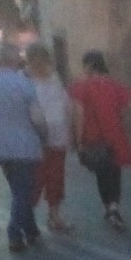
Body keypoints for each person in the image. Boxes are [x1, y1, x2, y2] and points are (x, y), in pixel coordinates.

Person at [0, 40, 45, 252]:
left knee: (18, 188)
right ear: (16, 60)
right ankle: (14, 232)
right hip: (24, 145)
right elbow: (37, 118)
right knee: (23, 191)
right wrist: (45, 135)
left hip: (0, 148)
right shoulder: (24, 84)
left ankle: (31, 229)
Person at [69, 51, 131, 232]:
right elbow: (124, 110)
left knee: (101, 172)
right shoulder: (115, 85)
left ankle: (108, 207)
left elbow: (79, 114)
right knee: (114, 171)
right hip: (114, 133)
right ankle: (114, 207)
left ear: (89, 65)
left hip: (93, 135)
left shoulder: (81, 87)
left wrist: (78, 139)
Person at [26, 42, 78, 234]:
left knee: (56, 177)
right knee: (36, 179)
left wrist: (71, 131)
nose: (42, 63)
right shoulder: (24, 81)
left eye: (44, 59)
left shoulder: (54, 79)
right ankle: (27, 217)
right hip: (35, 137)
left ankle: (54, 215)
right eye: (37, 59)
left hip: (57, 135)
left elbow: (66, 105)